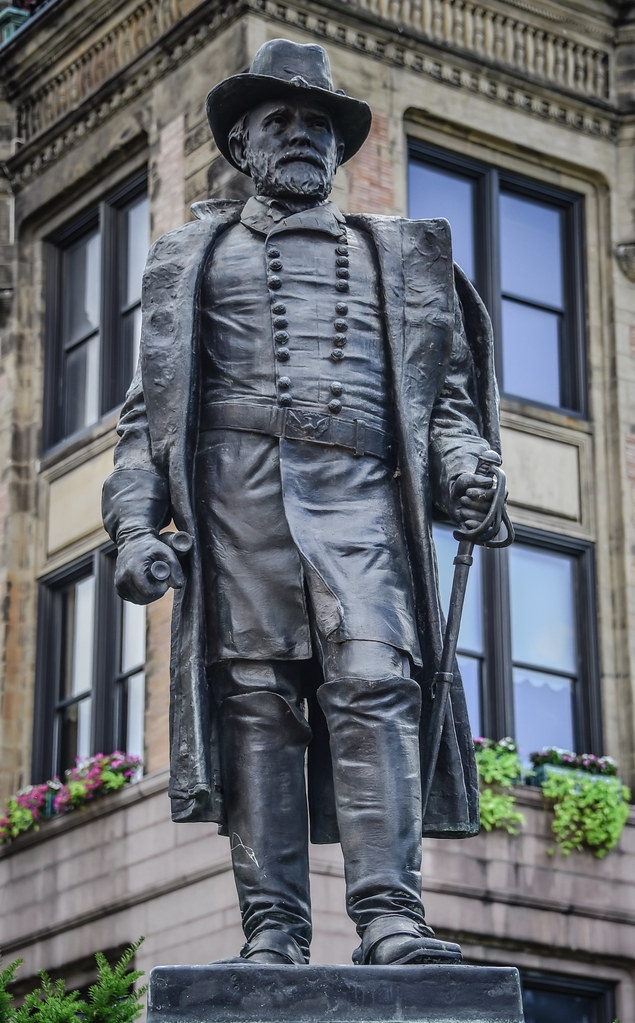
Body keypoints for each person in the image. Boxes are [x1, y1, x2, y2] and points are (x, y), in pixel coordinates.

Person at [102, 38, 508, 967]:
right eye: (279, 122)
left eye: (317, 125)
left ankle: (390, 919)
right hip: (240, 513)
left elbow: (443, 407)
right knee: (258, 704)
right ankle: (273, 933)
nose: (301, 138)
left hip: (364, 509)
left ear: (339, 148)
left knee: (376, 688)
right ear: (241, 147)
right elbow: (148, 419)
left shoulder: (402, 259)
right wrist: (133, 525)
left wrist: (469, 469)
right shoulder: (185, 260)